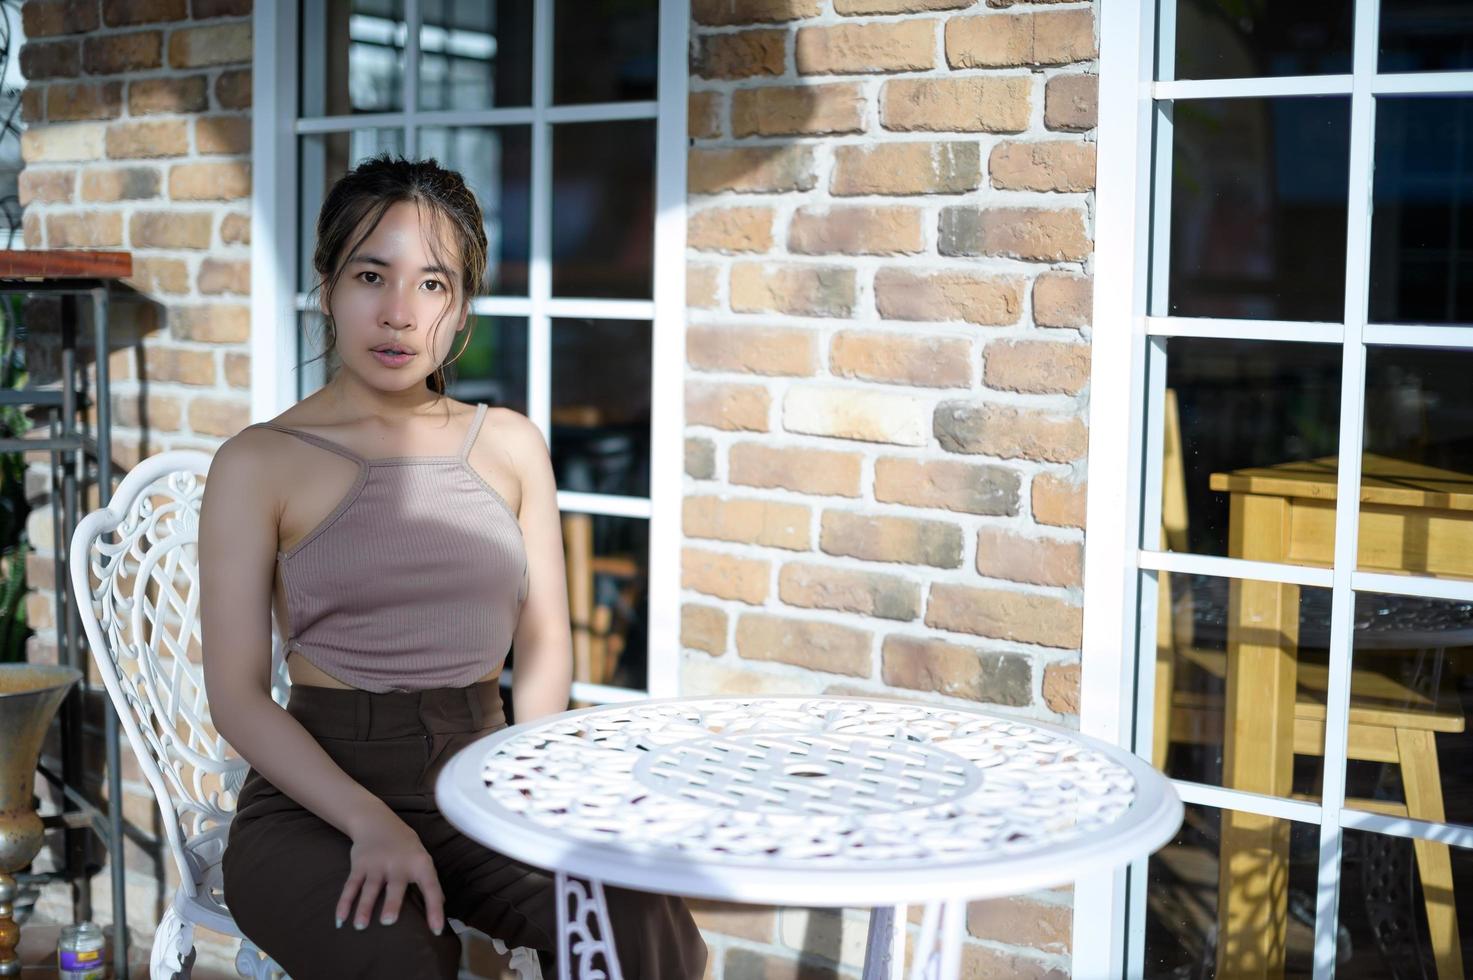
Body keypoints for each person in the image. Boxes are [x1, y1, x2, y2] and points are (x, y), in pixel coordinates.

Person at [199, 155, 706, 979]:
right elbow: (236, 695)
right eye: (372, 275)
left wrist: (537, 792)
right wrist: (369, 820)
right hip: (316, 797)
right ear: (326, 286)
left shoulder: (508, 442)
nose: (399, 313)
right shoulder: (258, 462)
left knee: (641, 923)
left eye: (432, 284)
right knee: (400, 959)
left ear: (462, 306)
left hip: (486, 773)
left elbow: (543, 646)